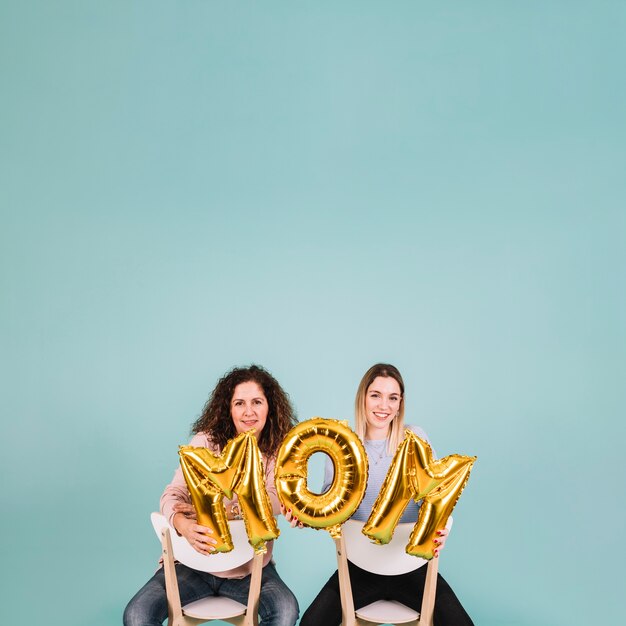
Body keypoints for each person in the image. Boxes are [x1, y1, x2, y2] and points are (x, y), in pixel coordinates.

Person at [297, 363, 474, 626]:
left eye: (393, 398)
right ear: (363, 397)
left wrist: (445, 526)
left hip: (412, 568)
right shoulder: (340, 445)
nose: (384, 406)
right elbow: (326, 508)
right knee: (312, 622)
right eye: (376, 395)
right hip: (359, 570)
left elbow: (439, 494)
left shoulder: (414, 438)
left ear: (400, 404)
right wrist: (304, 515)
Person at [123, 365, 300, 626]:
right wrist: (182, 525)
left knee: (285, 611)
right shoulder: (206, 442)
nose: (248, 411)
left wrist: (228, 511)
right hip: (193, 565)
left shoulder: (276, 453)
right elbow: (172, 494)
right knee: (138, 614)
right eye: (239, 403)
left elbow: (275, 499)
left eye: (257, 402)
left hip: (249, 570)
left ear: (269, 407)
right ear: (228, 409)